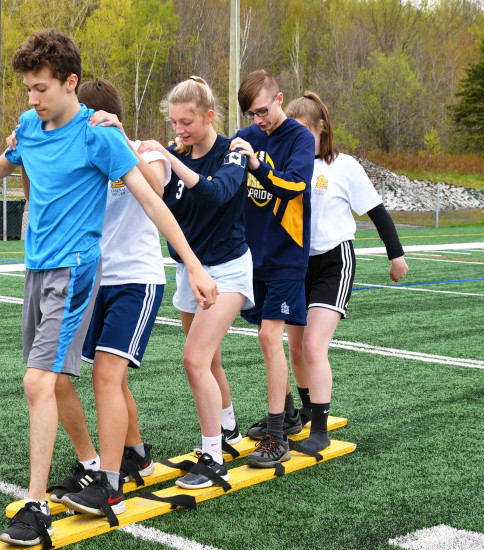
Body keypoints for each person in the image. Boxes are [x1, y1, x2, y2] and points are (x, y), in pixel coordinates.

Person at [0, 29, 217, 549]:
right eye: (27, 90)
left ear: (70, 82)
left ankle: (38, 506)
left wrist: (192, 264)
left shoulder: (97, 136)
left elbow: (152, 201)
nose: (32, 98)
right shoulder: (29, 128)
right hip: (35, 269)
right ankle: (92, 468)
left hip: (75, 270)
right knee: (50, 383)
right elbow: (6, 163)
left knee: (38, 383)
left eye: (40, 88)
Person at [5, 78, 195, 519]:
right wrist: (27, 150)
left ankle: (109, 482)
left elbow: (156, 191)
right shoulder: (68, 144)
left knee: (107, 377)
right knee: (83, 378)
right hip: (92, 275)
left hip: (137, 279)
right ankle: (126, 456)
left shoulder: (139, 149)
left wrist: (120, 137)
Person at [137, 76, 253, 489]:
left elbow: (218, 194)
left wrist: (173, 160)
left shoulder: (234, 151)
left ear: (208, 116)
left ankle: (213, 457)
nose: (179, 130)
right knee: (210, 360)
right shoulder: (172, 153)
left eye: (186, 122)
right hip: (190, 270)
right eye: (173, 122)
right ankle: (229, 429)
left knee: (194, 359)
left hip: (229, 270)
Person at [284, 92, 408, 452]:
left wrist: (395, 256)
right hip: (297, 264)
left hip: (334, 262)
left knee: (313, 346)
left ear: (321, 128)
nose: (297, 138)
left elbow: (377, 212)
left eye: (304, 130)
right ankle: (306, 410)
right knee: (294, 349)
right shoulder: (291, 165)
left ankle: (319, 430)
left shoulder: (344, 166)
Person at [229, 70, 315, 468]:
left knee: (269, 337)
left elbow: (295, 186)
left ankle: (277, 434)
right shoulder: (245, 136)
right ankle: (290, 412)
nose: (258, 118)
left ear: (280, 98)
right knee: (260, 333)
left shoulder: (299, 138)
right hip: (251, 255)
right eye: (252, 112)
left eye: (263, 110)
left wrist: (257, 167)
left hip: (286, 254)